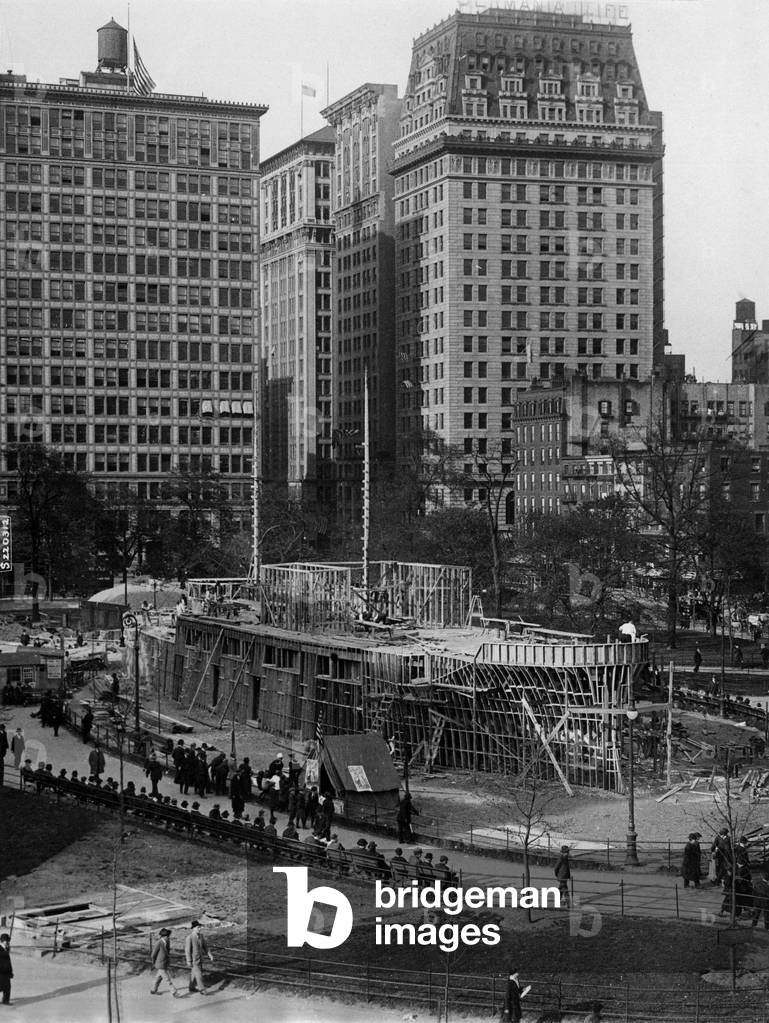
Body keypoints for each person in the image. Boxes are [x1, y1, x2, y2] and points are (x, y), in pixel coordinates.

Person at [184, 920, 213, 994]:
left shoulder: (201, 936)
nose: (200, 929)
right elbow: (187, 951)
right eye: (198, 927)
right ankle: (202, 989)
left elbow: (205, 947)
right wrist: (189, 961)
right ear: (193, 928)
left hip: (200, 959)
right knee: (199, 974)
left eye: (200, 927)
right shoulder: (189, 937)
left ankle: (191, 987)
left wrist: (209, 954)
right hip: (194, 960)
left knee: (194, 973)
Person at [150, 927, 180, 996]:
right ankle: (174, 992)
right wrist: (153, 963)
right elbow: (153, 955)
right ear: (163, 936)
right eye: (167, 936)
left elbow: (167, 953)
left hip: (165, 963)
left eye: (168, 936)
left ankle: (153, 989)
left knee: (158, 977)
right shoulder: (159, 943)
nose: (168, 937)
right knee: (167, 979)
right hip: (160, 964)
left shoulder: (167, 941)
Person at [0, 933, 12, 1005]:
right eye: (6, 941)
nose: (7, 942)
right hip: (1, 971)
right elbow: (2, 955)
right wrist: (7, 951)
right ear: (2, 941)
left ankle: (6, 1000)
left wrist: (10, 971)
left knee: (7, 987)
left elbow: (8, 961)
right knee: (1, 986)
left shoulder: (6, 948)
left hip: (6, 971)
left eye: (8, 941)